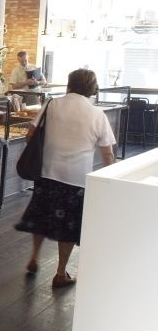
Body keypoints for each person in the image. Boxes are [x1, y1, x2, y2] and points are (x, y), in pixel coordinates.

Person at [15, 69, 115, 288]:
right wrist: (112, 179)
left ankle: (34, 257)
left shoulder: (52, 104)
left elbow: (30, 133)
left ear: (70, 83)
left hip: (47, 172)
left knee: (40, 216)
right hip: (76, 179)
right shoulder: (97, 114)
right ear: (92, 87)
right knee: (69, 226)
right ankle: (60, 272)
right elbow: (107, 152)